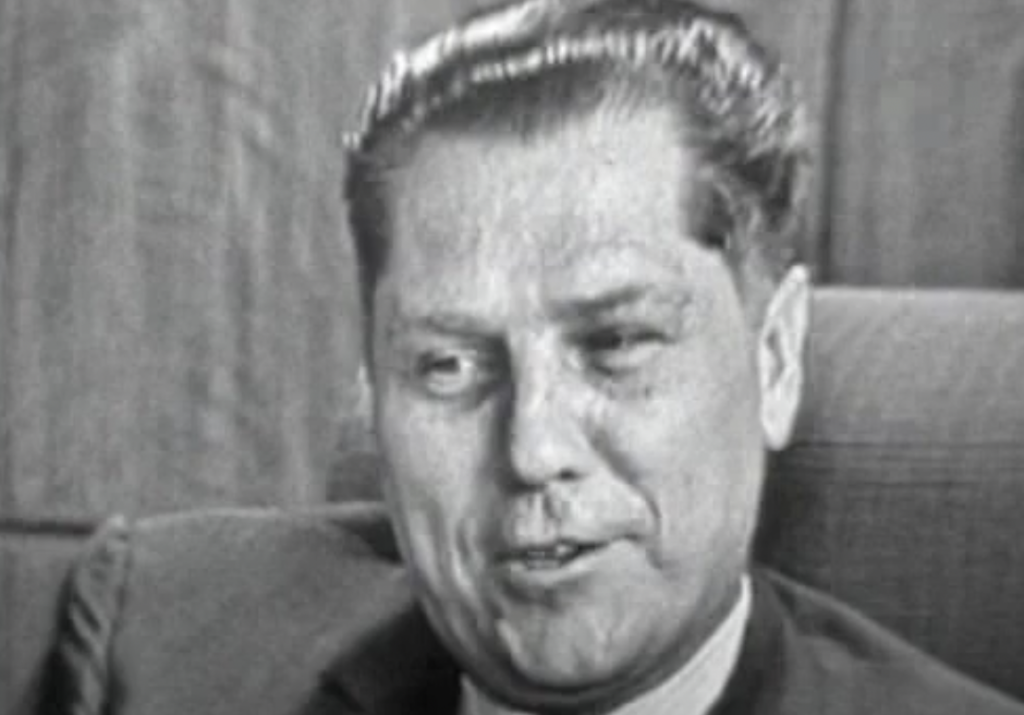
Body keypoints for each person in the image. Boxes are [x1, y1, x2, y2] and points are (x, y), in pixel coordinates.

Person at [33, 1, 1024, 714]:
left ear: (773, 360)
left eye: (618, 343)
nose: (533, 447)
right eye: (450, 364)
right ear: (375, 389)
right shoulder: (163, 644)